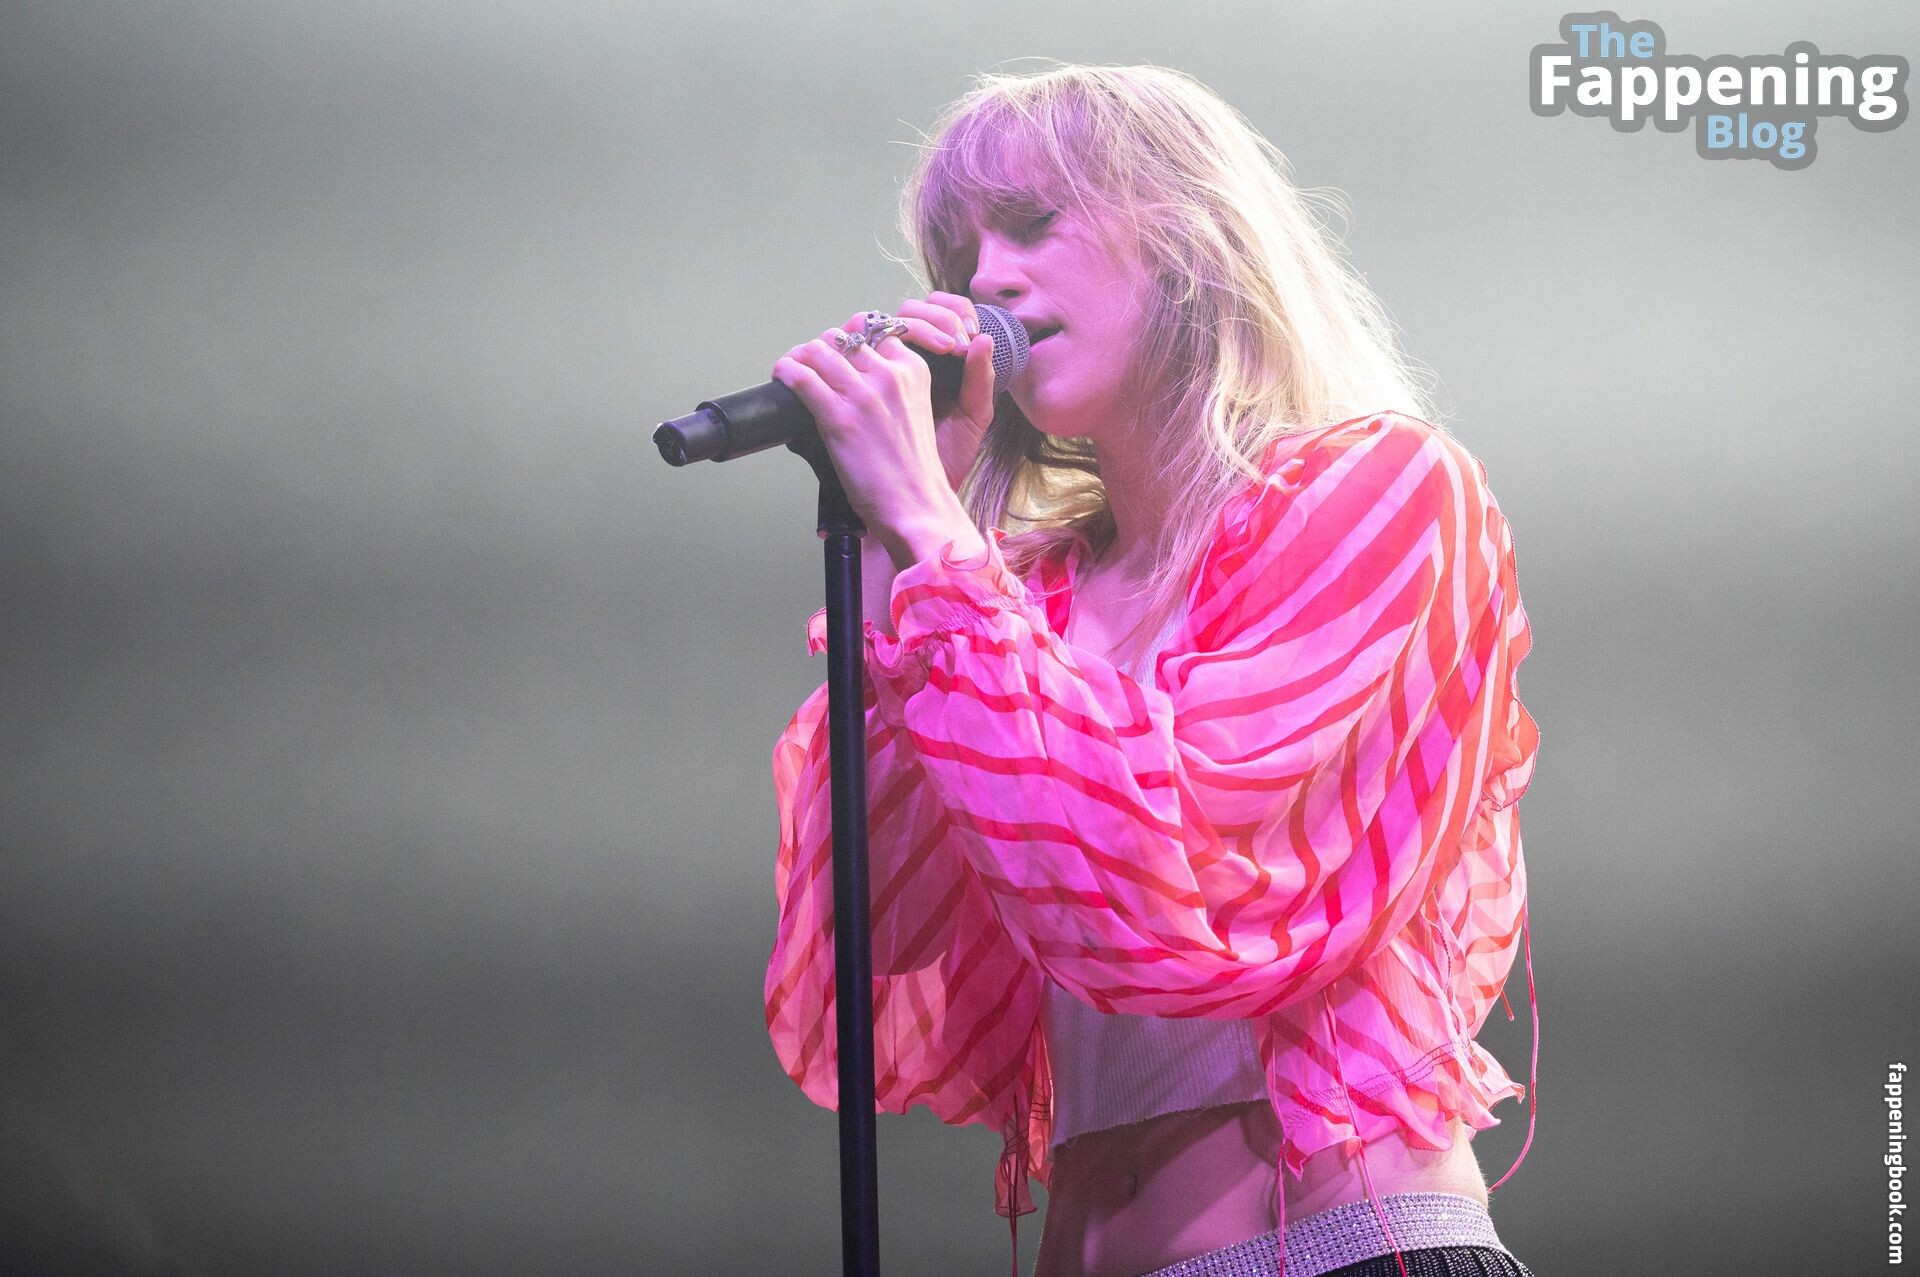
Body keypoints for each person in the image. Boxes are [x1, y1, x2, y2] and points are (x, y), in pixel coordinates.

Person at [763, 63, 1540, 1277]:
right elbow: (883, 922)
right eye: (960, 255)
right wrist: (904, 533)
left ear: (1193, 235)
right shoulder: (1015, 602)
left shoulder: (1384, 492)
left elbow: (1180, 871)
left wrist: (934, 537)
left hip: (1335, 1250)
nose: (984, 280)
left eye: (1032, 224)